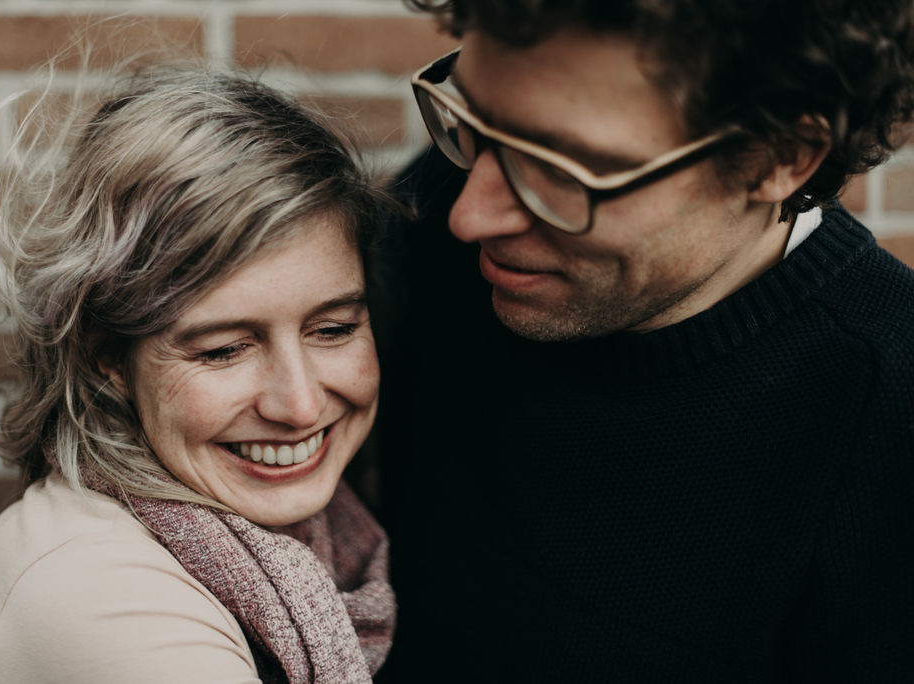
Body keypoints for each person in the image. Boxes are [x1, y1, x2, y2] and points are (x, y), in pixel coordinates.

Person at [375, 0, 914, 681]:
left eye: (563, 170)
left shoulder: (889, 422)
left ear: (779, 157)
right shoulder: (450, 208)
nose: (469, 214)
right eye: (476, 123)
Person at [0, 63, 395, 683]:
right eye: (222, 350)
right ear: (110, 360)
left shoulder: (318, 534)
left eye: (334, 329)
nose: (300, 406)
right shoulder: (110, 606)